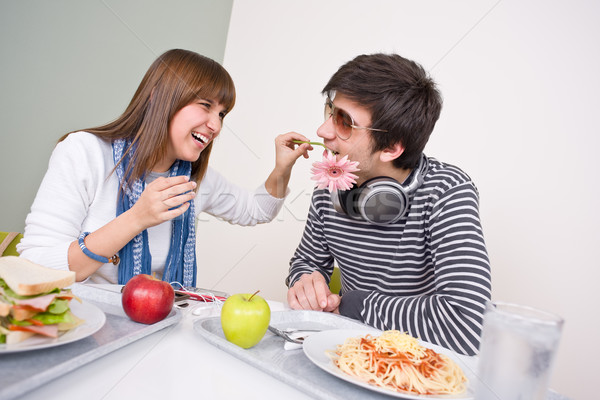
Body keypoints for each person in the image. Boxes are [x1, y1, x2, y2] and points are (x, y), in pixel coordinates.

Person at [17, 49, 312, 287]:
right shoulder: (84, 151)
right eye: (205, 105)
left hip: (157, 326)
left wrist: (282, 168)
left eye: (222, 113)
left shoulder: (194, 180)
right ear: (158, 95)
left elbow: (255, 210)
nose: (216, 125)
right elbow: (37, 265)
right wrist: (136, 218)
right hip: (83, 324)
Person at [286, 53, 491, 356]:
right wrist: (305, 280)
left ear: (392, 147)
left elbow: (467, 323)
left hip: (420, 365)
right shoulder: (332, 182)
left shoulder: (447, 191)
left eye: (344, 122)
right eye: (331, 111)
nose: (323, 131)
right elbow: (306, 262)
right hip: (351, 354)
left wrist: (355, 304)